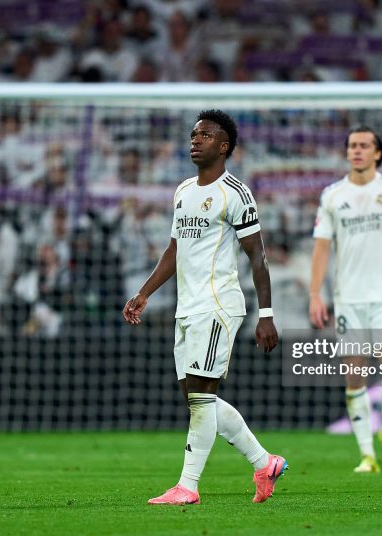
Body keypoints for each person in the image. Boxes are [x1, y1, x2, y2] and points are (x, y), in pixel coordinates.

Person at [123, 109, 286, 505]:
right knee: (198, 399)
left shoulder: (235, 193)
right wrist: (145, 292)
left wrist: (266, 314)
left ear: (224, 146)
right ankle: (265, 463)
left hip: (218, 304)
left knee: (200, 397)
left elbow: (258, 257)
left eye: (206, 135)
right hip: (186, 308)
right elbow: (175, 249)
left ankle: (187, 486)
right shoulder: (183, 191)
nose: (196, 140)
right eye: (194, 135)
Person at [309, 125, 382, 473]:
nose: (357, 151)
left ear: (378, 153)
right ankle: (367, 455)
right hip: (348, 300)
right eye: (352, 146)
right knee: (353, 376)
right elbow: (321, 249)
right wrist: (316, 294)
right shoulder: (331, 196)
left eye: (364, 145)